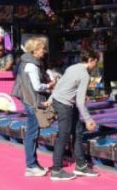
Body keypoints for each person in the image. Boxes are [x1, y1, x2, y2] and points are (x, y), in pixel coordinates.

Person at [49, 50, 101, 181]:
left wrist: (50, 99)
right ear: (91, 60)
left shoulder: (72, 67)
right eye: (96, 61)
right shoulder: (85, 75)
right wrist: (89, 120)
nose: (96, 64)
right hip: (65, 104)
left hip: (61, 101)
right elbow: (80, 102)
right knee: (64, 135)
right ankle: (56, 170)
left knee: (77, 132)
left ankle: (81, 165)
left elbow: (61, 85)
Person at [12, 37, 55, 177]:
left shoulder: (27, 62)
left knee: (33, 133)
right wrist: (49, 86)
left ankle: (32, 163)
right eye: (42, 49)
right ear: (35, 50)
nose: (44, 51)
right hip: (32, 102)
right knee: (32, 133)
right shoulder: (32, 65)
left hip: (29, 100)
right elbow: (37, 86)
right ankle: (31, 164)